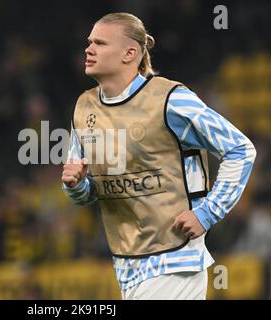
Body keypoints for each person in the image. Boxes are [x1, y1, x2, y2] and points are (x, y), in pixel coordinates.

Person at [61, 12, 256, 300]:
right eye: (89, 42)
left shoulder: (170, 99)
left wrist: (208, 212)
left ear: (130, 53)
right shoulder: (85, 107)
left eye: (100, 43)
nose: (88, 49)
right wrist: (76, 185)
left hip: (176, 261)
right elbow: (91, 193)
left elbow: (240, 149)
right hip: (127, 264)